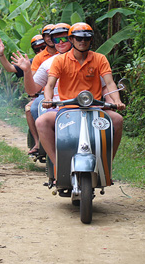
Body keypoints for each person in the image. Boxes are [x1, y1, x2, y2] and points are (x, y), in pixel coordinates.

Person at [35, 22, 126, 166]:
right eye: (78, 38)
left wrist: (117, 100)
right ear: (71, 40)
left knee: (117, 120)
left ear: (91, 40)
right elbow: (50, 84)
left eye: (86, 38)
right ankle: (57, 165)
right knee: (41, 122)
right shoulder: (60, 60)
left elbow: (109, 83)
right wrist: (48, 98)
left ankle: (107, 164)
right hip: (67, 108)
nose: (82, 41)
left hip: (94, 108)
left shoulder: (100, 59)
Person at [0, 34, 46, 155]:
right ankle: (37, 142)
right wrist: (1, 54)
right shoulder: (32, 62)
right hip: (40, 96)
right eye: (37, 49)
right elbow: (11, 68)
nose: (40, 51)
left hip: (59, 97)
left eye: (43, 47)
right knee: (29, 108)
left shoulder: (59, 58)